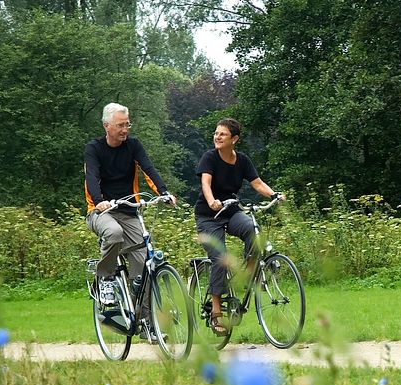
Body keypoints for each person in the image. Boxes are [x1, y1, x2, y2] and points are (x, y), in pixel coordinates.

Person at [84, 102, 176, 340]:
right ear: (107, 126)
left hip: (129, 211)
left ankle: (146, 324)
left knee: (143, 265)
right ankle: (104, 277)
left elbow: (148, 169)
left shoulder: (133, 146)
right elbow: (92, 177)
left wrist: (163, 193)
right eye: (120, 125)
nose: (125, 129)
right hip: (101, 212)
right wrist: (99, 201)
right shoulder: (94, 148)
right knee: (113, 234)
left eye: (127, 124)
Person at [195, 118, 284, 335]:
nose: (217, 137)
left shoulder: (242, 160)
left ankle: (250, 274)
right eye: (216, 133)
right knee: (220, 258)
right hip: (209, 215)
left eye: (222, 134)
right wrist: (212, 201)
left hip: (231, 210)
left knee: (253, 231)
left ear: (234, 139)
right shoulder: (210, 157)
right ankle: (216, 313)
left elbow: (257, 183)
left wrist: (274, 194)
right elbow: (206, 183)